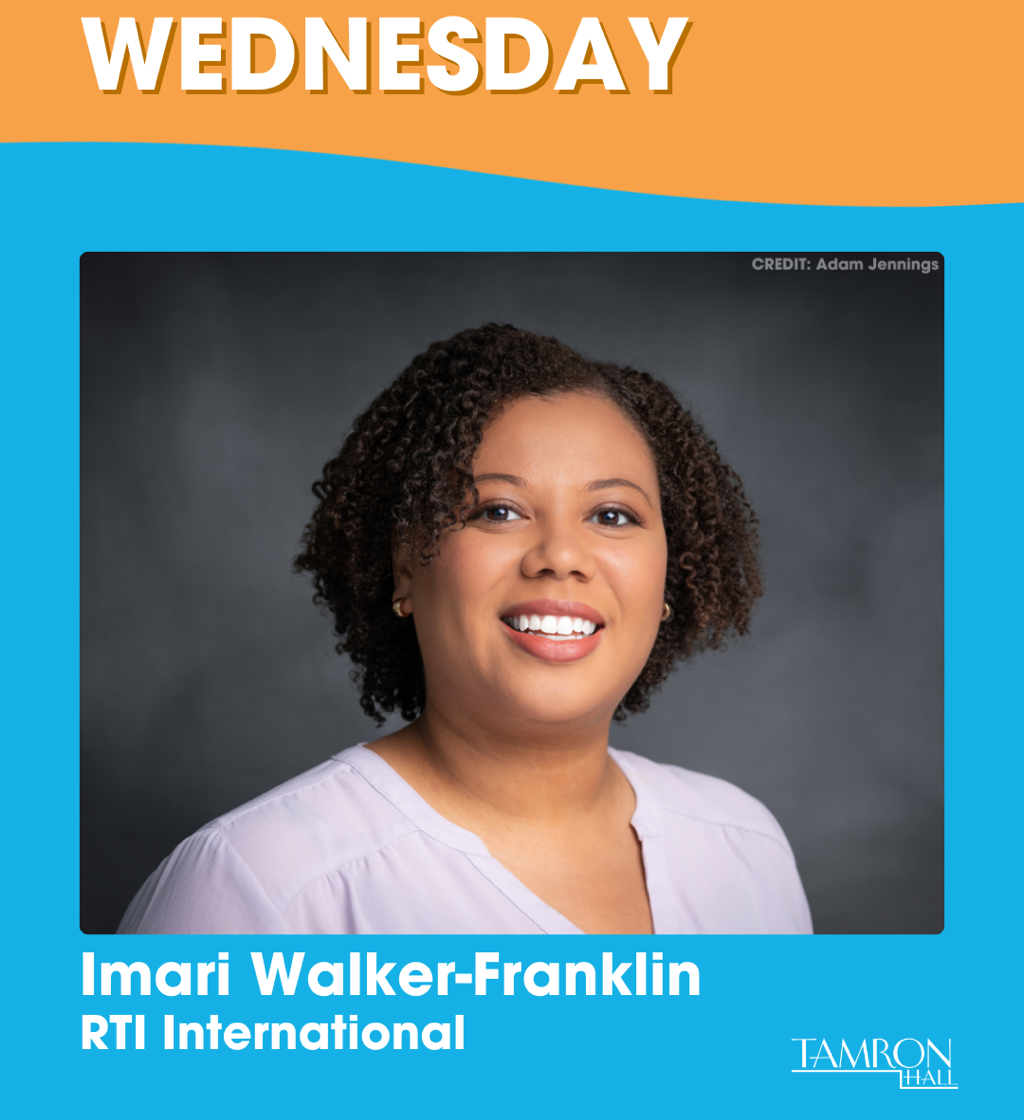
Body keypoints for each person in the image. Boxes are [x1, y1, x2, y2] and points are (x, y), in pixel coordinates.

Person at [119, 324, 812, 934]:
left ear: (670, 578)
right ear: (404, 570)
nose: (561, 557)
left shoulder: (744, 846)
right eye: (499, 511)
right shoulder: (262, 886)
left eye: (612, 516)